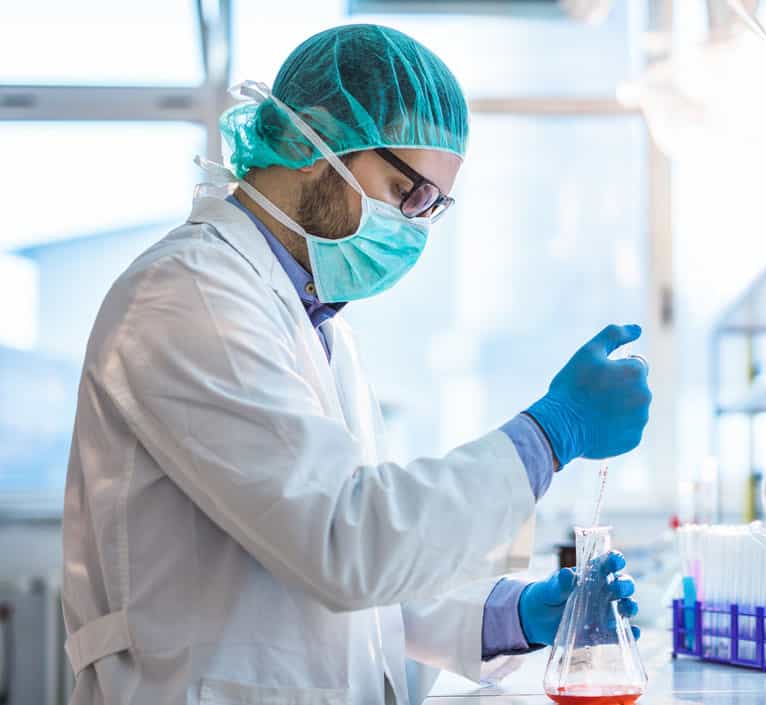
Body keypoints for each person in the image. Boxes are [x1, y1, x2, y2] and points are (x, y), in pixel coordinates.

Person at [61, 24, 651, 705]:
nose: (416, 226)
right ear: (314, 141)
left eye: (434, 206)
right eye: (408, 191)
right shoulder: (187, 298)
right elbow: (345, 543)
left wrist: (508, 616)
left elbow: (363, 588)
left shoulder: (311, 320)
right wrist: (553, 433)